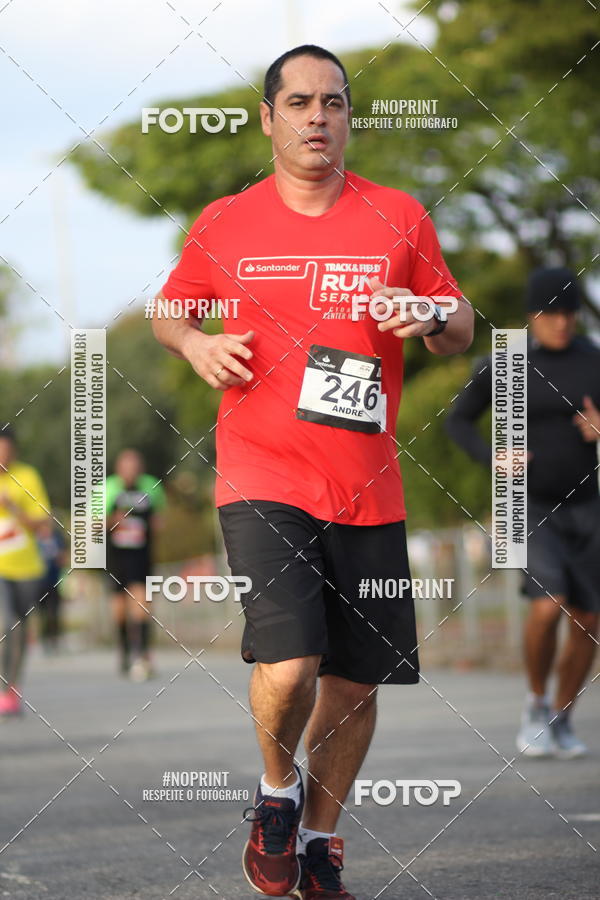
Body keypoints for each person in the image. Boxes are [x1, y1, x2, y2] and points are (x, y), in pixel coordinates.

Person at [153, 45, 473, 899]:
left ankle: (322, 842)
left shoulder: (398, 216)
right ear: (269, 117)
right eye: (299, 102)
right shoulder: (225, 221)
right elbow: (170, 309)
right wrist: (198, 342)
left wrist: (430, 312)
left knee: (357, 683)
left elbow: (460, 322)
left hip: (368, 483)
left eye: (333, 102)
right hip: (262, 475)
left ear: (348, 117)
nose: (317, 117)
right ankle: (276, 793)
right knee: (291, 666)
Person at [446, 266, 600, 759]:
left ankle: (561, 718)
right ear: (532, 315)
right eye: (551, 313)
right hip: (523, 502)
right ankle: (535, 703)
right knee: (548, 601)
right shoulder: (508, 362)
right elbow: (458, 422)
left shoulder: (592, 358)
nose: (562, 323)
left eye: (570, 313)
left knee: (589, 618)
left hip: (588, 504)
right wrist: (493, 456)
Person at [0, 428, 51, 719]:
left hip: (27, 568)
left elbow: (42, 523)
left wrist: (14, 508)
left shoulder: (28, 476)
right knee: (3, 623)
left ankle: (12, 688)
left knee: (17, 630)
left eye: (7, 451)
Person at [105, 449, 165, 681]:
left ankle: (143, 654)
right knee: (119, 608)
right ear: (118, 468)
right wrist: (113, 520)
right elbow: (92, 522)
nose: (130, 470)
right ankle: (124, 650)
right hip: (116, 557)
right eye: (126, 466)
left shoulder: (152, 486)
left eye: (134, 465)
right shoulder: (108, 488)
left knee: (142, 603)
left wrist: (156, 525)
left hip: (141, 555)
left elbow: (160, 516)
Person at [37, 519, 67, 654]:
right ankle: (44, 639)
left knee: (54, 612)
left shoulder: (57, 538)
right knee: (42, 613)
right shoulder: (35, 540)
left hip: (54, 581)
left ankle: (54, 639)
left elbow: (63, 558)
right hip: (38, 582)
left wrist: (60, 558)